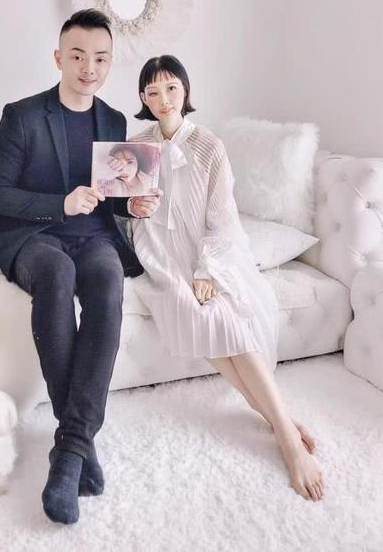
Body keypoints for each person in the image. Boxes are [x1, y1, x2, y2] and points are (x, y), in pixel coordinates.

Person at [0, 9, 162, 525]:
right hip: (33, 236)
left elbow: (113, 194)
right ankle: (78, 445)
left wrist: (133, 205)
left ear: (110, 62)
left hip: (94, 237)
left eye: (100, 58)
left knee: (107, 280)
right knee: (57, 275)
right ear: (59, 57)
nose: (89, 68)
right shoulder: (22, 116)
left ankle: (70, 447)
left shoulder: (114, 121)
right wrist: (60, 204)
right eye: (78, 56)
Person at [127, 54, 325, 502]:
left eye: (171, 88)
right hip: (158, 252)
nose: (163, 98)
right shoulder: (136, 146)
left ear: (185, 90)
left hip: (207, 250)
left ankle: (286, 436)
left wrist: (207, 271)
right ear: (143, 98)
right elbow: (125, 210)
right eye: (153, 91)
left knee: (226, 315)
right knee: (192, 309)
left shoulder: (209, 146)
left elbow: (222, 218)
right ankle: (281, 423)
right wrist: (131, 207)